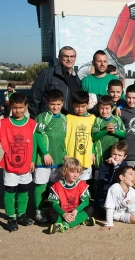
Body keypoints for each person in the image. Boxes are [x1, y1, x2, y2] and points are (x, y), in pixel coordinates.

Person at [0, 92, 37, 231]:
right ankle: (11, 217)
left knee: (23, 190)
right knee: (10, 191)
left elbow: (34, 144)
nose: (18, 110)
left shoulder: (32, 124)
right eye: (15, 107)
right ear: (10, 107)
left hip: (26, 165)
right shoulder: (3, 124)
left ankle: (21, 214)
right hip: (9, 165)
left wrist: (33, 160)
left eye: (21, 107)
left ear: (26, 106)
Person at [33, 89, 67, 223]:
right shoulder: (42, 117)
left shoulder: (65, 118)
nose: (55, 107)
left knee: (54, 185)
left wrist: (65, 155)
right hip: (44, 159)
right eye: (53, 104)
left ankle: (52, 207)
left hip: (59, 159)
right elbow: (37, 135)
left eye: (58, 104)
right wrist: (45, 153)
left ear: (62, 103)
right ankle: (38, 210)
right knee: (41, 185)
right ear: (47, 103)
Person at [28, 46, 81, 118]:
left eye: (72, 56)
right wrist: (35, 119)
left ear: (75, 58)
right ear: (59, 58)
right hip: (48, 121)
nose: (69, 59)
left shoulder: (76, 78)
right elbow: (34, 97)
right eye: (66, 56)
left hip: (69, 121)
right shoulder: (48, 73)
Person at [47, 158, 96, 234]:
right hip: (63, 212)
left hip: (76, 211)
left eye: (78, 172)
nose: (76, 175)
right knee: (51, 216)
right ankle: (81, 219)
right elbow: (54, 204)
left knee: (90, 209)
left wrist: (76, 210)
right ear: (65, 171)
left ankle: (64, 225)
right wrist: (64, 214)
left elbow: (86, 201)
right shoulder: (57, 186)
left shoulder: (81, 184)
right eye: (72, 172)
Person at [100, 166, 135, 230]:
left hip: (122, 213)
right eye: (131, 174)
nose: (134, 177)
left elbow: (133, 209)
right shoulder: (114, 188)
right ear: (122, 177)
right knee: (100, 212)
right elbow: (109, 206)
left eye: (134, 175)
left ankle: (118, 218)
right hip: (111, 212)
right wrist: (109, 223)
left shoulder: (133, 192)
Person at [92, 95, 126, 187]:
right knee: (98, 178)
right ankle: (96, 198)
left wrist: (115, 132)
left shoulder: (117, 119)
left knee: (114, 176)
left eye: (107, 108)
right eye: (101, 108)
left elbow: (123, 134)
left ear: (112, 108)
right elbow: (94, 137)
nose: (104, 111)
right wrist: (105, 131)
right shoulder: (97, 120)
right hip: (100, 155)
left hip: (115, 156)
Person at [65, 91, 96, 181]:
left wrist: (92, 152)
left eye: (83, 106)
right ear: (72, 105)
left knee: (83, 182)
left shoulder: (92, 118)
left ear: (87, 104)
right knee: (71, 180)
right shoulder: (68, 118)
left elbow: (93, 138)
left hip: (86, 156)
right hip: (71, 155)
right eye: (77, 106)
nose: (80, 109)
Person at [97, 141, 128, 207]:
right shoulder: (104, 165)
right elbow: (101, 183)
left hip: (120, 196)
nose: (116, 157)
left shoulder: (124, 165)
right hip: (105, 195)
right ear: (110, 153)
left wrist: (116, 166)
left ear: (124, 157)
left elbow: (122, 181)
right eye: (114, 154)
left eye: (120, 155)